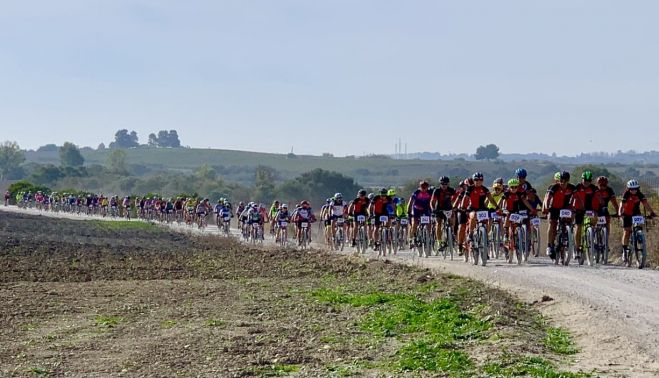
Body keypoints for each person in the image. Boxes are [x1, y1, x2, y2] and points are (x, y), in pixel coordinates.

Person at [618, 179, 656, 263]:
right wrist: (620, 213)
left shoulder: (640, 194)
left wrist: (652, 212)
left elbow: (646, 204)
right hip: (627, 213)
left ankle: (639, 236)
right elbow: (621, 205)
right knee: (627, 231)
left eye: (635, 189)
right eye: (631, 189)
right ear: (628, 189)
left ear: (638, 188)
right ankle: (624, 251)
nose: (633, 190)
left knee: (639, 225)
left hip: (636, 213)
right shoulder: (626, 194)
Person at [542, 171, 577, 260]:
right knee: (552, 223)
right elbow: (547, 198)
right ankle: (549, 245)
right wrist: (546, 207)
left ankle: (568, 233)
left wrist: (580, 207)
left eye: (564, 181)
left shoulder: (572, 187)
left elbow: (578, 198)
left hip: (565, 207)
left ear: (568, 180)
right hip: (554, 207)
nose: (562, 182)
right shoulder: (554, 187)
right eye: (561, 180)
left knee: (571, 216)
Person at [573, 171, 596, 259]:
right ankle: (577, 248)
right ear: (582, 179)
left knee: (595, 218)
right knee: (578, 228)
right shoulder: (577, 187)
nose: (587, 182)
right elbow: (573, 197)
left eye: (589, 180)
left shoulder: (593, 188)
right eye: (585, 180)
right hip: (579, 209)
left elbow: (598, 196)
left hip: (589, 209)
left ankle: (592, 235)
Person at [431, 176, 456, 250]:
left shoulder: (451, 190)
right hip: (439, 209)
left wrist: (456, 206)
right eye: (442, 184)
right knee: (438, 223)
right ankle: (439, 242)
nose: (444, 185)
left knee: (452, 219)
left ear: (448, 184)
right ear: (440, 184)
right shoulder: (437, 191)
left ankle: (452, 233)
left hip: (448, 209)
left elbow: (456, 199)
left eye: (446, 184)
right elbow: (432, 201)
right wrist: (433, 209)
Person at [407, 180, 432, 248]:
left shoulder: (430, 192)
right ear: (420, 187)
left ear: (427, 187)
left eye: (425, 187)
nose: (423, 189)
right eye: (422, 187)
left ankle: (428, 237)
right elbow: (410, 202)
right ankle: (413, 238)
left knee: (429, 223)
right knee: (414, 223)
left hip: (426, 209)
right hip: (416, 209)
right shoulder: (416, 192)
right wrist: (408, 211)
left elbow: (433, 201)